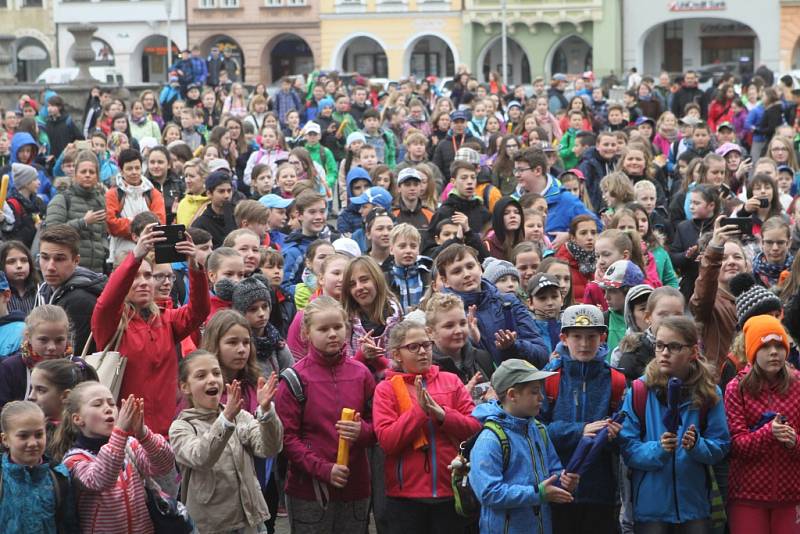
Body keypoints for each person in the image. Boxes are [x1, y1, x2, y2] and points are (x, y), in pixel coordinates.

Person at [90, 223, 209, 437]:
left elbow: (199, 311)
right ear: (121, 280)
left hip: (167, 434)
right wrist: (135, 256)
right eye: (135, 276)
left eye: (147, 276)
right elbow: (106, 304)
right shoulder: (111, 323)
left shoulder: (166, 319)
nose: (143, 282)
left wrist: (195, 267)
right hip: (126, 436)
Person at [274, 296, 376, 534]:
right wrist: (323, 469)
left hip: (356, 487)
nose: (332, 334)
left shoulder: (361, 374)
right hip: (309, 491)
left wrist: (363, 432)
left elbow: (378, 426)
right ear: (306, 333)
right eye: (323, 329)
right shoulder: (294, 379)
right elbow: (287, 439)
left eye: (338, 327)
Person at [619, 315, 731, 531]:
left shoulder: (709, 393)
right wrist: (659, 449)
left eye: (674, 347)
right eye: (659, 345)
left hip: (695, 506)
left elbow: (721, 445)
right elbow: (627, 447)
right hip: (652, 508)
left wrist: (697, 446)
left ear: (693, 352)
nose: (665, 353)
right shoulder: (640, 391)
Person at [372, 320, 481, 533]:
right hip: (406, 498)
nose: (423, 351)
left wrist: (443, 415)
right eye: (414, 347)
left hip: (450, 491)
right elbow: (387, 441)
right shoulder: (385, 389)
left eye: (427, 345)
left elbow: (474, 429)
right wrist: (419, 412)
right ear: (396, 354)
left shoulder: (451, 381)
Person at [170, 350, 283, 533]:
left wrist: (267, 412)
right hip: (211, 526)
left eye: (216, 373)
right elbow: (201, 457)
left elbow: (269, 448)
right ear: (185, 387)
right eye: (201, 375)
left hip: (250, 520)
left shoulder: (240, 416)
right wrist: (226, 419)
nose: (212, 379)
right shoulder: (181, 427)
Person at [539, 304, 625, 534]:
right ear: (564, 338)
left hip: (601, 491)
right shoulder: (549, 380)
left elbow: (627, 438)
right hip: (557, 486)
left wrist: (616, 435)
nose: (585, 344)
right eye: (577, 336)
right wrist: (580, 431)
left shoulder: (615, 381)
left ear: (603, 338)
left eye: (591, 337)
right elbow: (538, 430)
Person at [470, 358, 578, 534]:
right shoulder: (490, 439)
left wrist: (564, 481)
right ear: (512, 395)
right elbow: (488, 493)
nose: (541, 397)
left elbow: (554, 469)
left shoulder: (539, 429)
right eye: (534, 392)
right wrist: (538, 493)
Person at [53, 383, 175, 534]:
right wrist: (120, 432)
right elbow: (101, 478)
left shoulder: (129, 445)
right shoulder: (74, 460)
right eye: (97, 404)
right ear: (78, 419)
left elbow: (164, 465)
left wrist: (143, 434)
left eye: (112, 403)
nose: (108, 408)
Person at [725, 315, 800, 534]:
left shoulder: (798, 385)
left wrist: (794, 441)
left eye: (779, 345)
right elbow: (735, 445)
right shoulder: (736, 388)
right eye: (765, 346)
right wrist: (769, 433)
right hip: (747, 496)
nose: (774, 352)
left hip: (792, 494)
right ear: (751, 351)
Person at [439, 243, 549, 366]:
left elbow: (542, 355)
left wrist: (513, 346)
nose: (466, 274)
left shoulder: (509, 303)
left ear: (480, 268)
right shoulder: (442, 314)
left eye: (470, 266)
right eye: (457, 271)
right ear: (445, 281)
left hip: (517, 383)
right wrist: (470, 341)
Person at [0, 400, 79, 533]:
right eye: (23, 436)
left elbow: (69, 523)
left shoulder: (58, 476)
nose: (32, 443)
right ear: (5, 439)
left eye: (38, 434)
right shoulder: (3, 478)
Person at [36, 225, 106, 353]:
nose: (50, 266)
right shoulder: (45, 289)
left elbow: (76, 356)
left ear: (76, 260)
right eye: (45, 257)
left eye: (59, 259)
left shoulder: (79, 299)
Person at [46, 150, 108, 273]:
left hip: (96, 271)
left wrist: (104, 250)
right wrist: (83, 222)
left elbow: (102, 234)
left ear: (97, 176)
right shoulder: (62, 198)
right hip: (69, 271)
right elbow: (52, 232)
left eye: (92, 172)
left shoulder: (101, 200)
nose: (88, 175)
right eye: (83, 171)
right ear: (75, 175)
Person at [105, 149, 166, 260]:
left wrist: (127, 222)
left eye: (137, 168)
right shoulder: (112, 194)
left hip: (150, 254)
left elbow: (159, 223)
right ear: (121, 170)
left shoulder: (153, 193)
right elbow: (112, 226)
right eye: (129, 168)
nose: (134, 172)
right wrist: (144, 225)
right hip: (121, 254)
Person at [191, 170, 237, 249]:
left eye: (229, 191)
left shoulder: (238, 215)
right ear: (209, 194)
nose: (227, 195)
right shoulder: (201, 224)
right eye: (221, 191)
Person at [1, 241, 38, 316]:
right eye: (11, 262)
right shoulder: (1, 295)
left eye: (24, 260)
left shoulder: (40, 291)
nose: (19, 266)